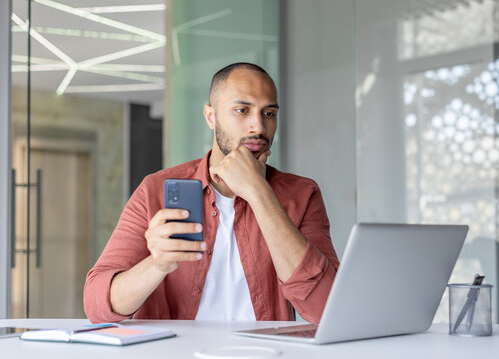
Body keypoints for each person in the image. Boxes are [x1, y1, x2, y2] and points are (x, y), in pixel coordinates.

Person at [84, 62, 339, 324]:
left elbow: (327, 309)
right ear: (211, 116)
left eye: (269, 114)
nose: (259, 127)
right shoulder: (154, 190)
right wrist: (157, 264)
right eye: (242, 110)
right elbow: (96, 305)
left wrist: (259, 192)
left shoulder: (303, 194)